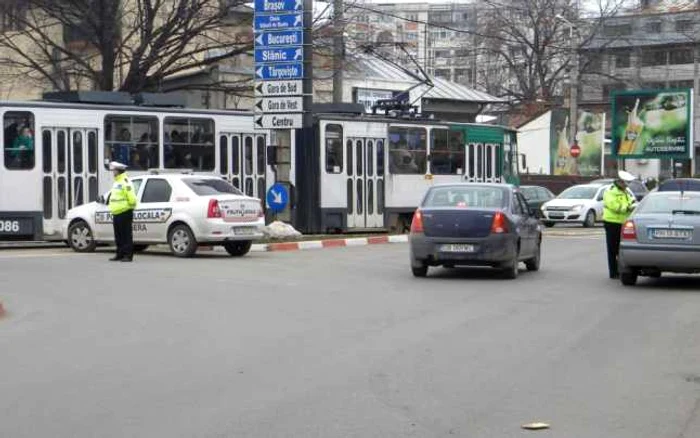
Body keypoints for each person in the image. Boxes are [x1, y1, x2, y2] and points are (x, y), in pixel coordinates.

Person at [602, 170, 637, 279]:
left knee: (620, 249)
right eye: (625, 183)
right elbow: (614, 206)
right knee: (612, 249)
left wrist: (633, 205)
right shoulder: (610, 191)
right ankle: (613, 272)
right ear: (619, 182)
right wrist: (627, 207)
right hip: (612, 222)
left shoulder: (625, 191)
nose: (626, 185)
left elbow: (632, 200)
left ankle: (620, 270)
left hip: (623, 223)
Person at [107, 161, 137, 262]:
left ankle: (128, 255)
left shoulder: (125, 181)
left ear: (118, 171)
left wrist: (130, 207)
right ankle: (119, 254)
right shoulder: (117, 182)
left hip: (125, 212)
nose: (113, 172)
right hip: (116, 213)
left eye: (114, 170)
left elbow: (132, 198)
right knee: (118, 236)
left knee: (126, 235)